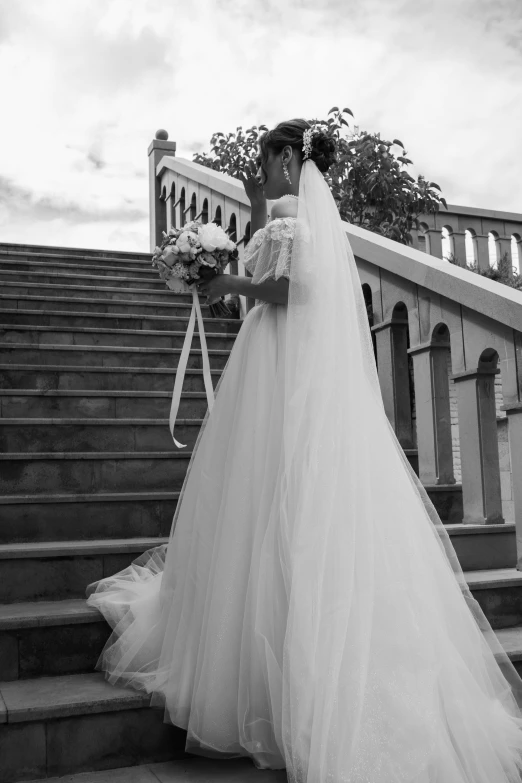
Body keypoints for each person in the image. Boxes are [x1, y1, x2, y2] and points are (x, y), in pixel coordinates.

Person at [87, 119, 522, 783]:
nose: (259, 173)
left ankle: (290, 674)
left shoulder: (301, 225)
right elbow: (276, 268)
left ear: (288, 158)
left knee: (280, 494)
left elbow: (289, 292)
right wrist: (246, 225)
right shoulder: (287, 217)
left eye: (265, 163)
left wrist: (227, 285)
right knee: (261, 495)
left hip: (280, 370)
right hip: (271, 365)